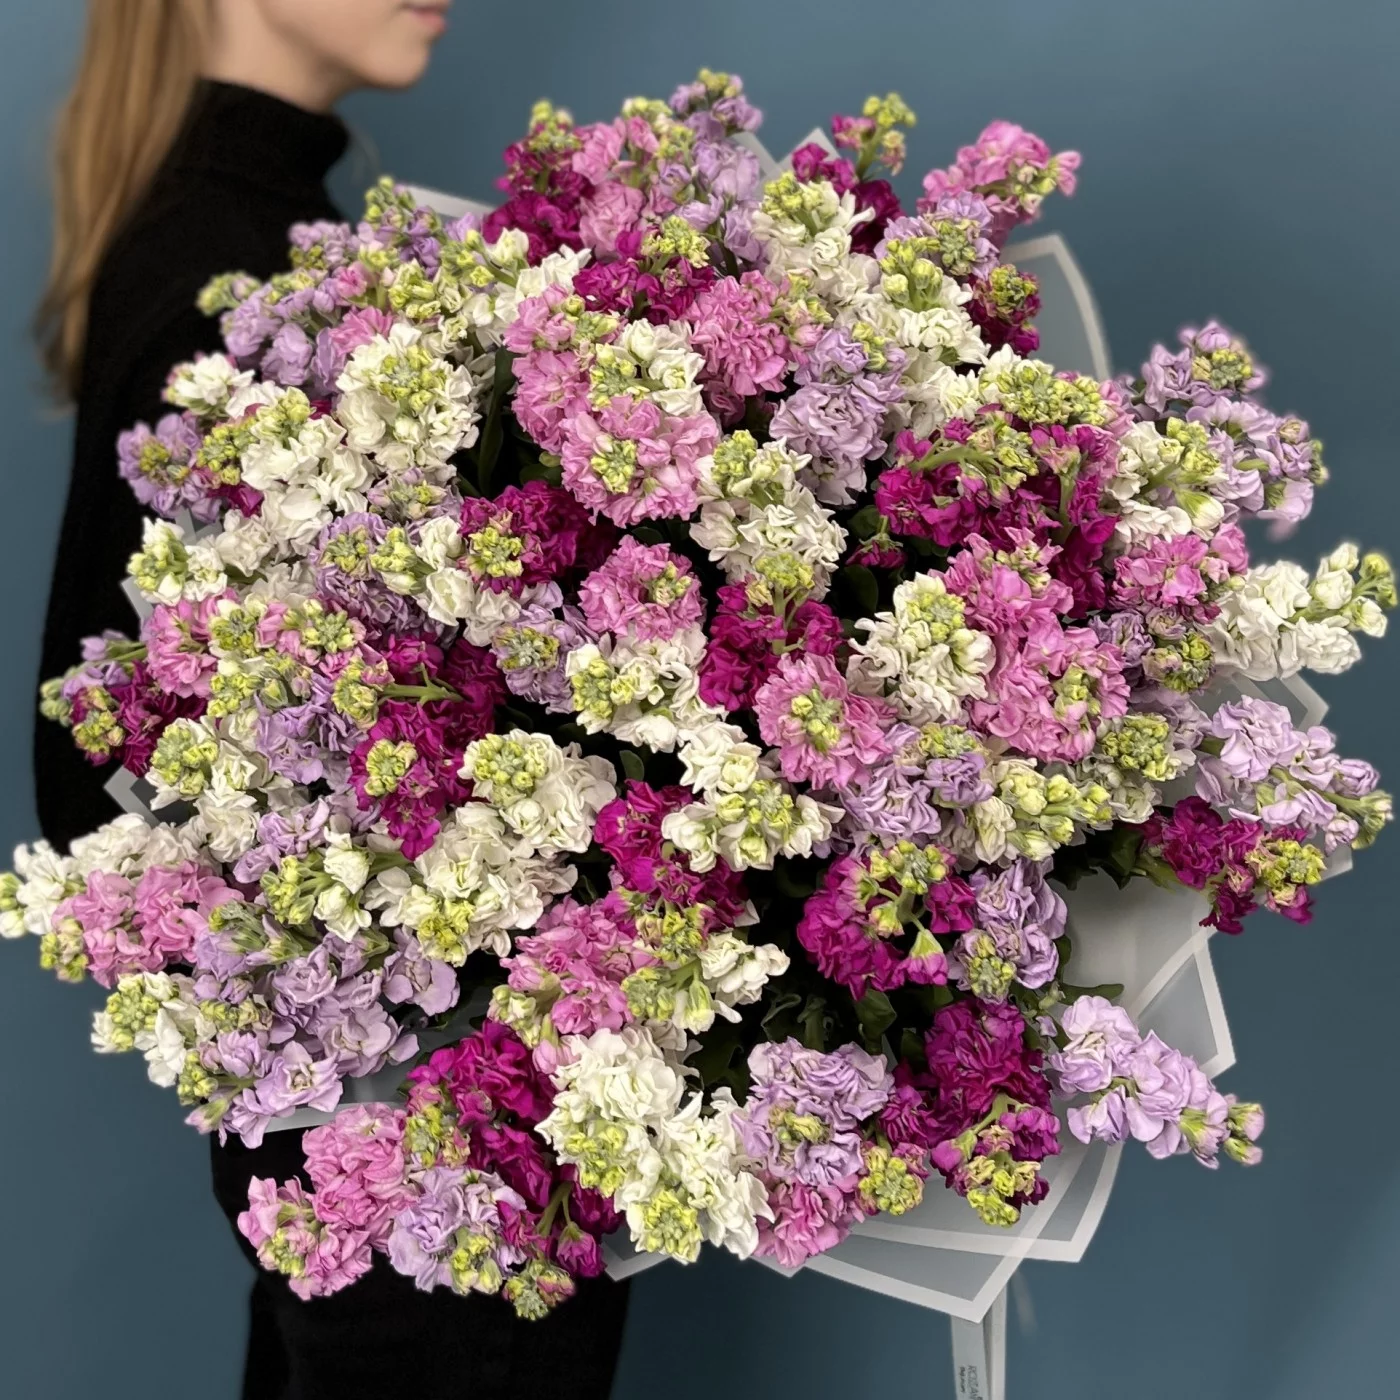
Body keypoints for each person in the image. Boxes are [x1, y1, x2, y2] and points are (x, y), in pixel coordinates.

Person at [32, 4, 631, 1398]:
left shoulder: (252, 236)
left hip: (398, 1127)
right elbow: (94, 748)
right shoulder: (232, 273)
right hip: (410, 1144)